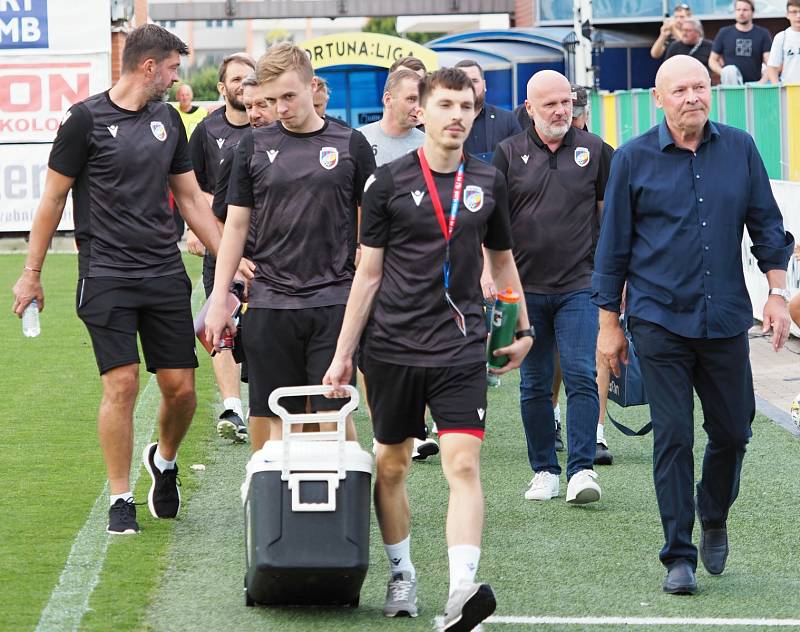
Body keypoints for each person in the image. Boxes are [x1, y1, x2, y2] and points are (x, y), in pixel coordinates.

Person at [323, 67, 533, 630]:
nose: (458, 116)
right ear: (422, 112)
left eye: (466, 106)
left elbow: (502, 259)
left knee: (462, 461)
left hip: (460, 346)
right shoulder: (387, 182)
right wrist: (344, 353)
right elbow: (366, 275)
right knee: (390, 466)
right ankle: (402, 571)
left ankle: (463, 590)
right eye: (445, 105)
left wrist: (523, 327)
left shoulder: (489, 180)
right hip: (391, 347)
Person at [593, 55, 793, 595]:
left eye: (700, 87)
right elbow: (612, 251)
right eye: (680, 90)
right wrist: (609, 327)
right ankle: (677, 555)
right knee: (674, 436)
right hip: (658, 320)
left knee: (733, 431)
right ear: (659, 99)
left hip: (725, 317)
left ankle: (713, 512)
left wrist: (777, 294)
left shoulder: (740, 148)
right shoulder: (632, 160)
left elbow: (769, 229)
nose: (693, 97)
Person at [11, 24, 222, 535]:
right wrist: (31, 273)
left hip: (163, 271)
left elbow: (191, 199)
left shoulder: (168, 119)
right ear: (149, 66)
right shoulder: (83, 120)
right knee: (122, 384)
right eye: (172, 68)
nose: (176, 79)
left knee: (182, 390)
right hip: (105, 273)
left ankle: (165, 463)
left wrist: (231, 261)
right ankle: (120, 496)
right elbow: (52, 200)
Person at [204, 43, 376, 450]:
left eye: (288, 96)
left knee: (331, 419)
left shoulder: (351, 144)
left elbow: (373, 230)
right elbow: (236, 224)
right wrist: (217, 297)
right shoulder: (252, 146)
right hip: (269, 303)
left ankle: (339, 510)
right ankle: (273, 511)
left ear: (312, 85)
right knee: (274, 423)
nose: (280, 108)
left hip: (332, 302)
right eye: (270, 99)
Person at [493, 71, 611, 505]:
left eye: (567, 102)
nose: (562, 110)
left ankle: (581, 470)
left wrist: (611, 274)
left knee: (581, 372)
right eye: (551, 104)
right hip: (523, 291)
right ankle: (544, 469)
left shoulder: (595, 150)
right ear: (530, 109)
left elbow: (609, 213)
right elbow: (492, 219)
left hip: (580, 284)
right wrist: (491, 274)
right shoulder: (507, 153)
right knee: (535, 383)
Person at [186, 52, 256, 444]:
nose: (243, 85)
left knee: (262, 327)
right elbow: (192, 190)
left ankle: (268, 401)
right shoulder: (207, 132)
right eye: (236, 79)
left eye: (250, 79)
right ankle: (233, 406)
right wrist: (200, 231)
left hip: (266, 249)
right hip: (222, 245)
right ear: (221, 87)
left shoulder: (271, 130)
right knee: (218, 322)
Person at [455, 59, 522, 163]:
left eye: (474, 81)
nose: (469, 86)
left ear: (484, 85)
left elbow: (520, 163)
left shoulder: (507, 120)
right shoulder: (443, 123)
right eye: (462, 81)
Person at [358, 69, 425, 166]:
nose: (418, 107)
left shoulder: (428, 146)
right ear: (388, 100)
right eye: (411, 99)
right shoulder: (359, 140)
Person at [709, 0, 772, 84]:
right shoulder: (724, 32)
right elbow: (712, 60)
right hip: (731, 86)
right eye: (738, 9)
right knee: (730, 70)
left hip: (754, 85)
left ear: (752, 12)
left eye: (745, 10)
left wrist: (763, 81)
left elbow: (770, 63)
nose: (741, 13)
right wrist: (725, 73)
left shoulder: (763, 34)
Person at [766, 0, 800, 84]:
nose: (798, 16)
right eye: (794, 12)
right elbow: (772, 67)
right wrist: (778, 88)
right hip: (789, 90)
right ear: (787, 15)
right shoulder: (781, 37)